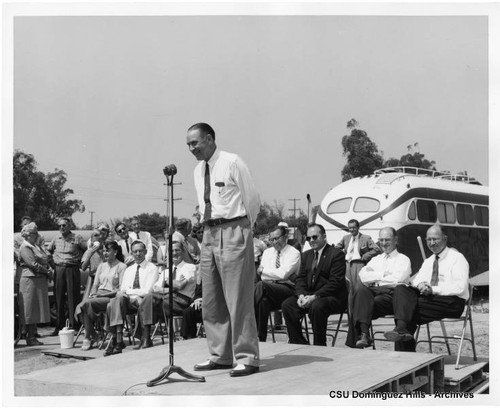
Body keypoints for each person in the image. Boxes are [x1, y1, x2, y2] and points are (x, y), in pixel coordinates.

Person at [187, 122, 260, 377]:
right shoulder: (198, 170)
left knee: (238, 298)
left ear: (209, 139)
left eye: (194, 143)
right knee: (212, 299)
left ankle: (247, 356)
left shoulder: (232, 162)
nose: (191, 148)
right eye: (188, 145)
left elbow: (252, 199)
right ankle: (220, 355)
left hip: (234, 230)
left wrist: (244, 230)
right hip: (209, 232)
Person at [383, 225, 469, 351]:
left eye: (435, 239)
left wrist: (433, 289)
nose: (432, 243)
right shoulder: (429, 261)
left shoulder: (457, 258)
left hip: (452, 302)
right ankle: (402, 332)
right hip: (431, 301)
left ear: (444, 239)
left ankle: (403, 354)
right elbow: (417, 280)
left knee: (405, 309)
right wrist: (421, 285)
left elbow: (460, 287)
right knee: (402, 290)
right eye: (428, 240)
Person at [282, 224, 347, 346]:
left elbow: (335, 283)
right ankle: (299, 342)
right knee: (288, 305)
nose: (311, 241)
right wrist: (301, 295)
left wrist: (314, 296)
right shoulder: (306, 255)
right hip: (309, 296)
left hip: (332, 297)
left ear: (324, 237)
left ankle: (319, 344)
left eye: (315, 237)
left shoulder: (336, 254)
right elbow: (300, 279)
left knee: (317, 306)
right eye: (308, 238)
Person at [346, 227, 411, 348]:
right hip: (375, 293)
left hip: (393, 297)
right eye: (381, 240)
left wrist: (375, 276)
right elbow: (363, 276)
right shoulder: (376, 259)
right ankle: (364, 334)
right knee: (360, 291)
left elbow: (398, 279)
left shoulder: (403, 259)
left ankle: (359, 335)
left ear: (395, 240)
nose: (384, 243)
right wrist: (383, 275)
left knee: (364, 302)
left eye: (387, 239)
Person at [136, 241, 197, 348]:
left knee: (147, 302)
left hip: (182, 302)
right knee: (148, 300)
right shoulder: (166, 271)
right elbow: (155, 288)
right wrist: (172, 288)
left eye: (177, 250)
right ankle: (145, 338)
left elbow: (180, 286)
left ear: (182, 251)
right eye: (171, 250)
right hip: (166, 301)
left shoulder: (190, 267)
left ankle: (144, 337)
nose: (174, 253)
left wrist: (167, 282)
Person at [103, 240, 158, 356]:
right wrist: (132, 296)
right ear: (131, 254)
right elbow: (123, 289)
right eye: (135, 252)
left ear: (145, 251)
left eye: (140, 251)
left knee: (115, 303)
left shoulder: (152, 268)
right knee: (115, 301)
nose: (138, 254)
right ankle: (118, 339)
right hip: (130, 301)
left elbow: (147, 290)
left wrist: (133, 294)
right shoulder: (129, 269)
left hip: (144, 301)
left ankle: (118, 340)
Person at [254, 225, 301, 342]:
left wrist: (264, 271)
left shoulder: (294, 252)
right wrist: (269, 273)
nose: (274, 242)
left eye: (277, 238)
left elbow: (282, 274)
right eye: (272, 239)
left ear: (285, 237)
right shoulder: (267, 253)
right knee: (262, 302)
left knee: (260, 286)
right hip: (269, 290)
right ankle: (260, 339)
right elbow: (264, 277)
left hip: (287, 289)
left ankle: (249, 329)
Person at [79, 241, 127, 350]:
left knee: (85, 305)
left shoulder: (122, 266)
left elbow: (120, 289)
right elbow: (95, 284)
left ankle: (90, 336)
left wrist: (99, 296)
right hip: (98, 295)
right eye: (104, 251)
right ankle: (94, 335)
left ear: (115, 252)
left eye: (108, 251)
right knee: (80, 307)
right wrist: (93, 293)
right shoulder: (101, 266)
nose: (105, 253)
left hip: (111, 297)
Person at [47, 217, 87, 334]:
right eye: (59, 225)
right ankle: (59, 326)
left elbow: (87, 250)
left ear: (70, 226)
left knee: (73, 297)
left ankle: (74, 325)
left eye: (64, 225)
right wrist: (53, 265)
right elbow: (48, 251)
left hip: (72, 268)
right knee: (58, 298)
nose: (62, 227)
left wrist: (82, 262)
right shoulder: (56, 238)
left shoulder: (77, 238)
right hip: (59, 269)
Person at [17, 222, 52, 346]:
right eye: (34, 233)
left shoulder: (35, 246)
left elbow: (44, 258)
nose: (36, 235)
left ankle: (32, 336)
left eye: (36, 233)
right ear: (27, 235)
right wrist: (47, 271)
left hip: (37, 280)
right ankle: (29, 337)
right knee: (30, 309)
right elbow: (32, 264)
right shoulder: (25, 247)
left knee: (35, 309)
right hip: (29, 280)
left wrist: (47, 269)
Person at [335, 219, 380, 293]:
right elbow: (336, 249)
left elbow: (377, 250)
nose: (352, 229)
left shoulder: (366, 238)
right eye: (350, 228)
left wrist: (367, 255)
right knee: (348, 288)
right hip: (347, 266)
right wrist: (342, 253)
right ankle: (349, 304)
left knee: (358, 288)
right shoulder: (345, 238)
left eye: (354, 227)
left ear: (358, 227)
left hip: (359, 265)